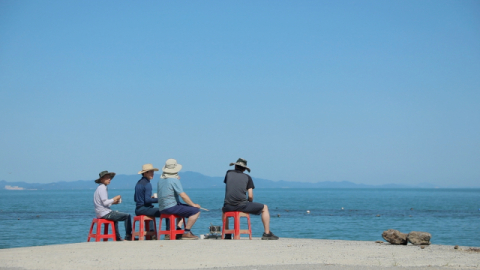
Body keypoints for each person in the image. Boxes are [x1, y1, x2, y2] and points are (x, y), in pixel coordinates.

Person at [222, 158, 279, 240]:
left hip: (228, 206)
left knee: (223, 209)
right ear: (245, 169)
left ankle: (227, 233)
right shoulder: (247, 177)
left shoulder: (228, 173)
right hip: (242, 205)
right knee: (264, 208)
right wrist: (249, 202)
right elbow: (251, 196)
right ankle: (267, 233)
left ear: (235, 166)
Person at [157, 159, 201, 240]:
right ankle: (187, 232)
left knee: (181, 207)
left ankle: (178, 229)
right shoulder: (174, 180)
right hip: (171, 207)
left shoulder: (160, 180)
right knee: (196, 211)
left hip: (162, 208)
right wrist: (194, 205)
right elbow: (183, 195)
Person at [93, 170, 132, 241]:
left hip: (99, 213)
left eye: (109, 177)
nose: (109, 179)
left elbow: (102, 203)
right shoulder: (102, 188)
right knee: (127, 216)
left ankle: (117, 238)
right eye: (107, 178)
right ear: (101, 179)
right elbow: (105, 203)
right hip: (104, 213)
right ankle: (128, 237)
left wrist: (113, 202)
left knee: (115, 217)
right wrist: (114, 199)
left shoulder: (99, 188)